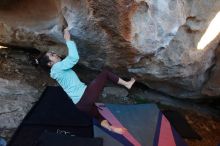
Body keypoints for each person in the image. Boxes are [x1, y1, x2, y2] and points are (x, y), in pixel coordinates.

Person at [35, 27, 136, 135]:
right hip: (85, 96)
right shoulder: (57, 67)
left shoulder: (56, 71)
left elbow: (67, 62)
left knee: (98, 116)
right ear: (50, 64)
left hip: (80, 104)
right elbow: (73, 58)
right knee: (105, 74)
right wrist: (68, 40)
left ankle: (112, 129)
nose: (55, 53)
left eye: (53, 52)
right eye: (52, 55)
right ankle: (127, 84)